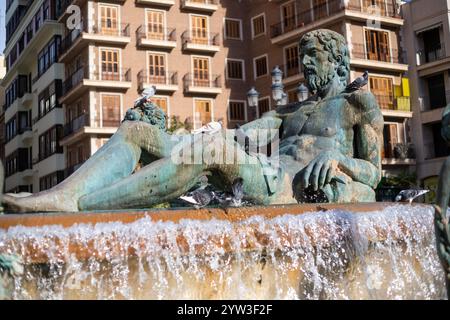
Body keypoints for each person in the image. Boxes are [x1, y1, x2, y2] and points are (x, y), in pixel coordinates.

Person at [3, 29, 383, 212]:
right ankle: (62, 196)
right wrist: (171, 136)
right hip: (266, 172)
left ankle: (82, 206)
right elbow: (238, 137)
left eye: (314, 56)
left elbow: (374, 172)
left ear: (337, 59)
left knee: (211, 149)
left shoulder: (357, 104)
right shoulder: (287, 113)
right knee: (139, 130)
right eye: (303, 57)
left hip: (289, 189)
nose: (305, 64)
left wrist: (338, 161)